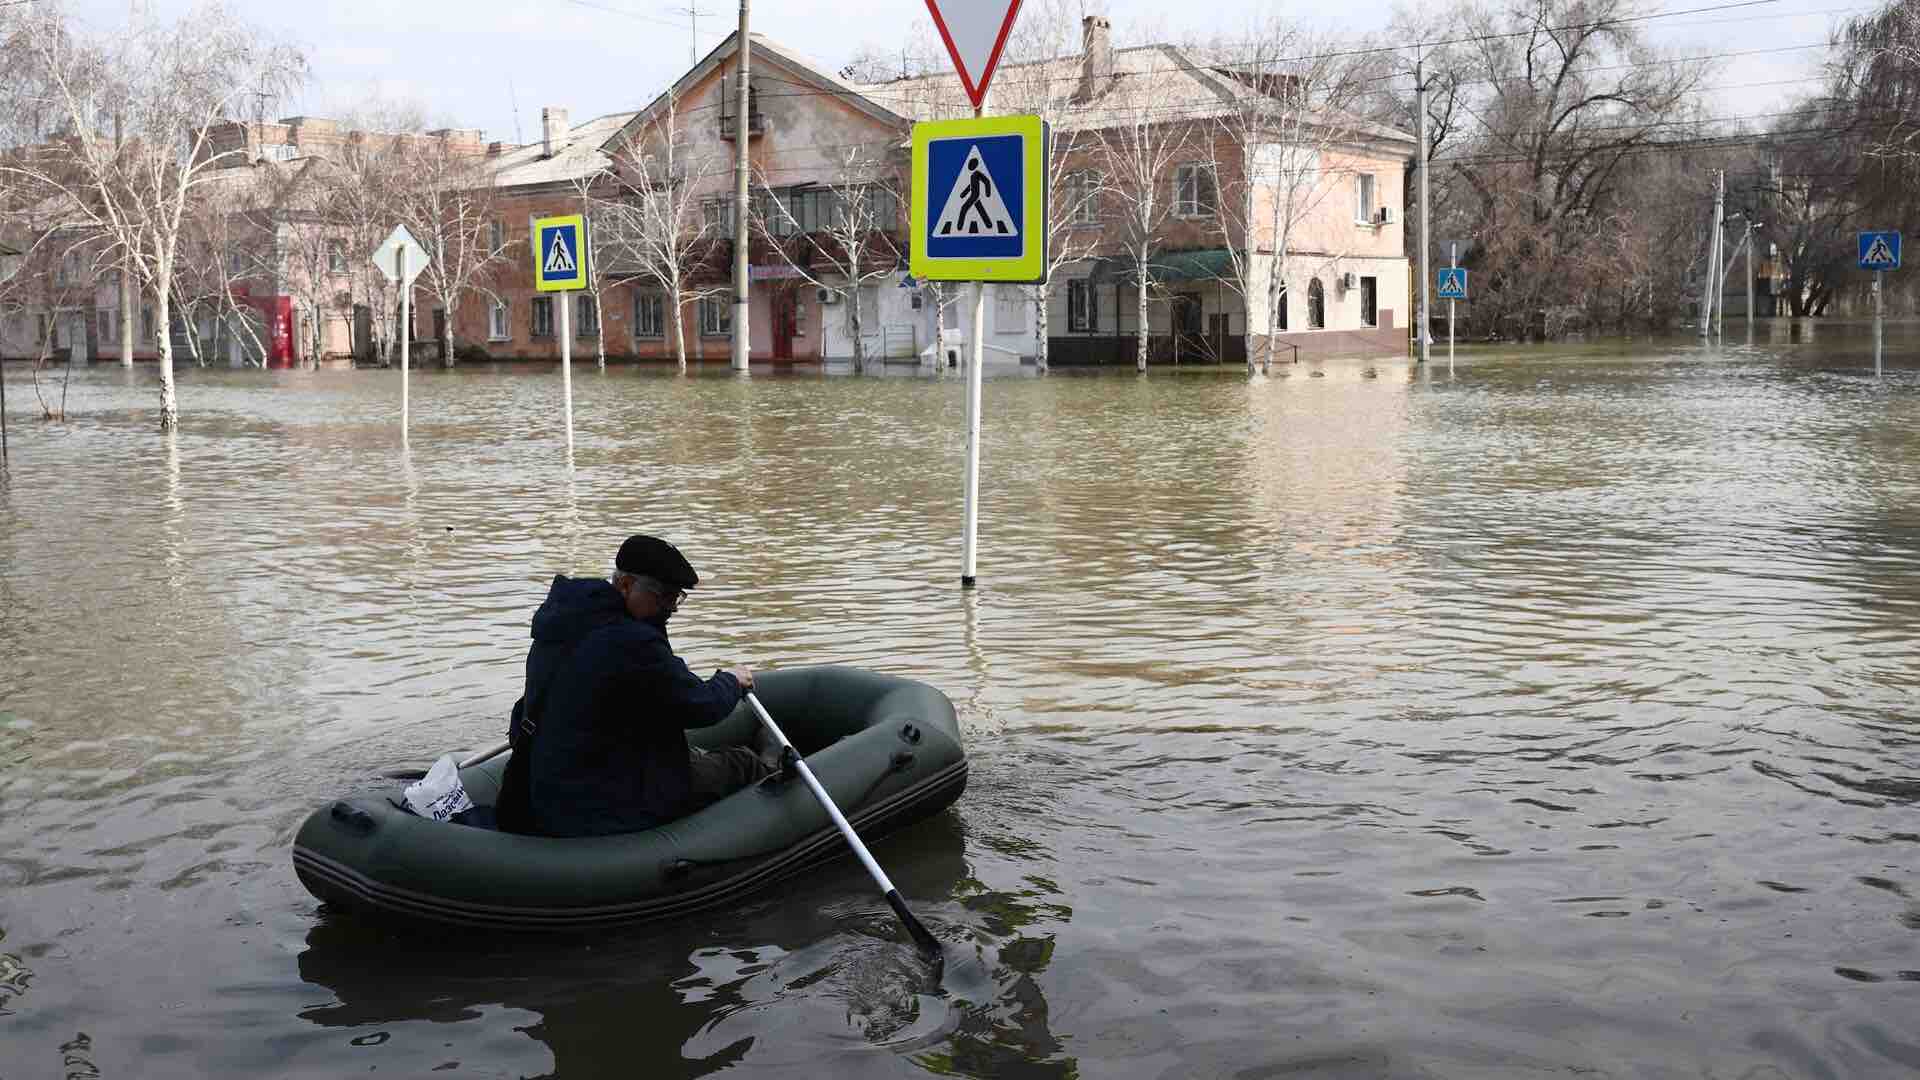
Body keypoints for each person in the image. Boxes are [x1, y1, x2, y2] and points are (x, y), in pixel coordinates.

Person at [493, 534, 775, 837]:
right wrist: (730, 679)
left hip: (552, 786)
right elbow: (701, 706)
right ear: (626, 585)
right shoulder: (631, 642)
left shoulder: (562, 623)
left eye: (676, 596)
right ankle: (778, 784)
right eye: (664, 595)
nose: (673, 607)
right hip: (601, 803)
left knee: (691, 757)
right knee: (740, 763)